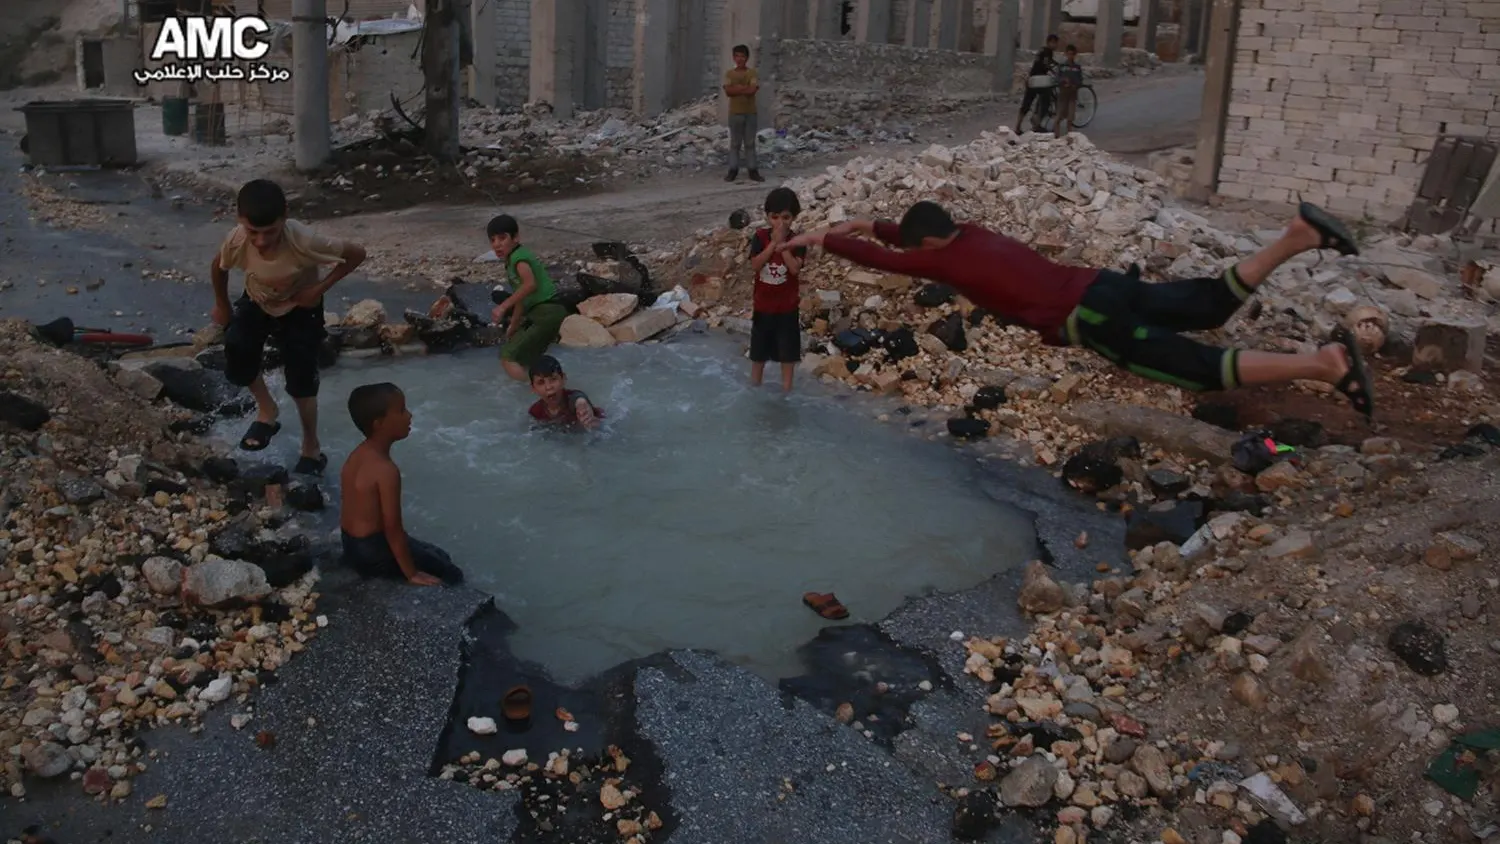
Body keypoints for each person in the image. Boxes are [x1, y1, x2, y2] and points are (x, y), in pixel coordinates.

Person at [784, 201, 1377, 418]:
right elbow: (915, 238)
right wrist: (873, 223)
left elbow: (897, 261)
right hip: (1102, 284)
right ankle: (1297, 237)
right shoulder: (970, 233)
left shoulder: (945, 263)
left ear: (931, 246)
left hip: (1091, 318)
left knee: (1197, 368)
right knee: (1207, 302)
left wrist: (825, 239)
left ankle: (1326, 365)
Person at [211, 179, 366, 475]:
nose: (260, 241)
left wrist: (318, 289)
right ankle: (267, 410)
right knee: (237, 348)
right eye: (252, 231)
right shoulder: (237, 239)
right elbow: (218, 268)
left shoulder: (305, 241)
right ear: (240, 220)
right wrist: (222, 305)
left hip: (300, 308)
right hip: (257, 300)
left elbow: (357, 254)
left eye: (269, 232)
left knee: (301, 379)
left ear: (285, 216)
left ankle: (311, 445)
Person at [339, 383, 465, 586]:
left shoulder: (356, 455)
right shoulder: (386, 470)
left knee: (439, 554)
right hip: (373, 554)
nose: (410, 415)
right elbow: (393, 529)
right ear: (379, 424)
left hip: (351, 544)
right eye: (401, 411)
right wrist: (412, 574)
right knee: (451, 573)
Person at [487, 215, 569, 383]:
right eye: (492, 240)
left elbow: (530, 285)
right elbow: (522, 297)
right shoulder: (511, 260)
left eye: (502, 238)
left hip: (546, 311)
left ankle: (534, 392)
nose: (497, 244)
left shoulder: (519, 258)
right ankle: (550, 389)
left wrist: (503, 307)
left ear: (516, 238)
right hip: (545, 312)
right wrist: (514, 324)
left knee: (507, 357)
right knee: (526, 361)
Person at [748, 187, 810, 392]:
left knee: (788, 355)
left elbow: (794, 269)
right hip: (763, 306)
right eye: (775, 217)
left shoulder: (797, 242)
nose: (780, 223)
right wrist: (772, 244)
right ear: (767, 217)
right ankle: (754, 388)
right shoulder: (759, 237)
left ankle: (786, 391)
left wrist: (782, 245)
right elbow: (756, 265)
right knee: (758, 355)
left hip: (787, 308)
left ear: (793, 218)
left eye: (785, 217)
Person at [723, 44, 765, 184]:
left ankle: (753, 171)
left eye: (742, 56)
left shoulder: (752, 73)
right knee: (735, 143)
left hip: (750, 113)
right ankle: (732, 171)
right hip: (735, 113)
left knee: (750, 143)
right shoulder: (729, 73)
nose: (740, 59)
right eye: (737, 56)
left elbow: (752, 90)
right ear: (733, 58)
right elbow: (728, 92)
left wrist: (737, 89)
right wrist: (743, 88)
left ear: (747, 58)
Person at [526, 355, 603, 431]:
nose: (548, 387)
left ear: (563, 379)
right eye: (541, 382)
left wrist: (582, 405)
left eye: (553, 379)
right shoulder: (536, 412)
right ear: (533, 388)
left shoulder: (573, 401)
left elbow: (578, 397)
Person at [1016, 34, 1059, 134]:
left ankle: (1018, 126)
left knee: (1027, 103)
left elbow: (1044, 62)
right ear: (1050, 42)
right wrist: (1054, 70)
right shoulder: (1048, 52)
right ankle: (1037, 124)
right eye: (1054, 43)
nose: (1056, 45)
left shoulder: (1041, 51)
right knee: (1046, 101)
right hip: (1040, 80)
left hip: (1032, 79)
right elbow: (1047, 64)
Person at [1053, 44, 1084, 138]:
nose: (1070, 56)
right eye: (1069, 54)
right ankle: (1056, 136)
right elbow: (1057, 78)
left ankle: (1069, 137)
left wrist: (1075, 85)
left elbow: (1080, 80)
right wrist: (1063, 81)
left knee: (1070, 118)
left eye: (1072, 54)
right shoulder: (1062, 66)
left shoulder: (1077, 67)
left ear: (1075, 55)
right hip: (1063, 94)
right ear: (1065, 54)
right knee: (1059, 116)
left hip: (1072, 95)